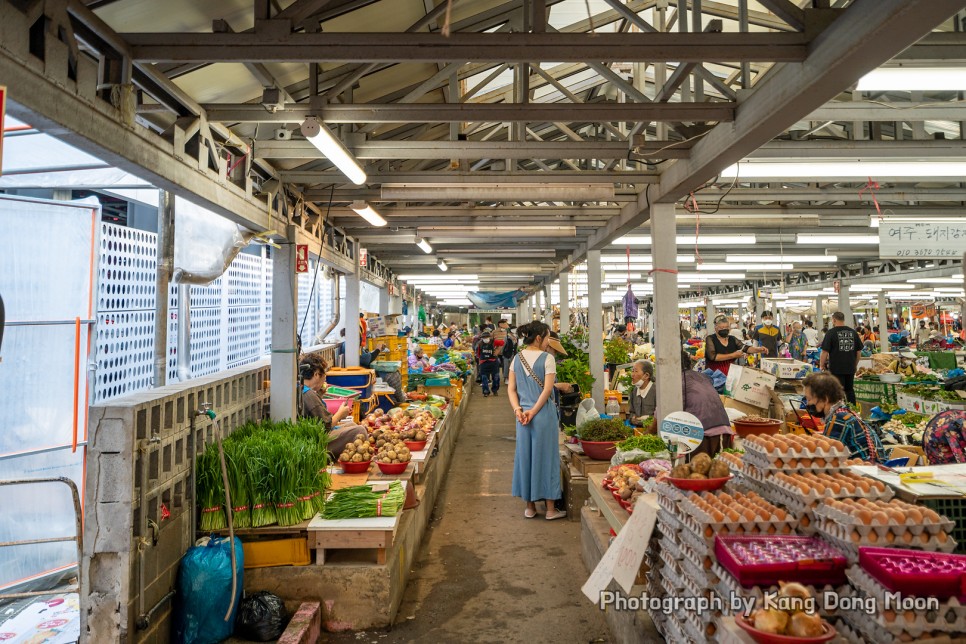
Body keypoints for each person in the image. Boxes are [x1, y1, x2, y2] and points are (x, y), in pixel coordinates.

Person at [508, 321, 566, 520]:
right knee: (547, 457)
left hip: (522, 416)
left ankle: (530, 507)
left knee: (526, 457)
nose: (549, 341)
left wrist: (519, 410)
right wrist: (534, 411)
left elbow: (511, 389)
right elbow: (548, 390)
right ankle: (550, 510)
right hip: (542, 415)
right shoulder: (547, 358)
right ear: (540, 338)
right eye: (548, 337)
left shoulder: (517, 358)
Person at [803, 372, 886, 463]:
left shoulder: (839, 419)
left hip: (868, 469)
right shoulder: (843, 412)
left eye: (809, 399)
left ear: (825, 399)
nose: (808, 404)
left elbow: (828, 458)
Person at [298, 354, 360, 459]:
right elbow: (326, 426)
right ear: (317, 374)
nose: (324, 380)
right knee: (359, 431)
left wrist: (319, 395)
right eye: (324, 376)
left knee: (351, 424)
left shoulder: (302, 389)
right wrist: (340, 414)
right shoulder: (309, 395)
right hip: (317, 441)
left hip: (314, 436)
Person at [681, 350, 734, 457]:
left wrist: (649, 432)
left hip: (702, 437)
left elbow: (662, 412)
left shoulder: (675, 380)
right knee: (718, 471)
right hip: (725, 432)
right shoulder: (702, 377)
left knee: (696, 470)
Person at [820, 311, 863, 405]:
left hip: (836, 368)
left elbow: (824, 352)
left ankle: (839, 413)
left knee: (837, 392)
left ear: (834, 320)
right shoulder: (853, 332)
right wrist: (854, 364)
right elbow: (859, 351)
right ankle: (853, 412)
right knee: (849, 390)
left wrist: (821, 365)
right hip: (850, 367)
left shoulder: (831, 333)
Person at [628, 360, 656, 429]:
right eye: (632, 371)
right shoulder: (634, 391)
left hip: (653, 431)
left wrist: (649, 418)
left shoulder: (656, 391)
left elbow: (661, 415)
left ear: (646, 375)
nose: (632, 374)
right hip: (638, 431)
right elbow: (631, 412)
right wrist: (632, 419)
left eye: (636, 371)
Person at [476, 330, 501, 396]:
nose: (485, 339)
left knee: (496, 377)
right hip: (483, 363)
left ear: (489, 337)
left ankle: (495, 390)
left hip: (493, 362)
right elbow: (478, 354)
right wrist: (479, 363)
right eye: (484, 338)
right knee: (484, 378)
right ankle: (486, 391)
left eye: (487, 337)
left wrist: (498, 350)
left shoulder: (494, 342)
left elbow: (502, 343)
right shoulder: (480, 344)